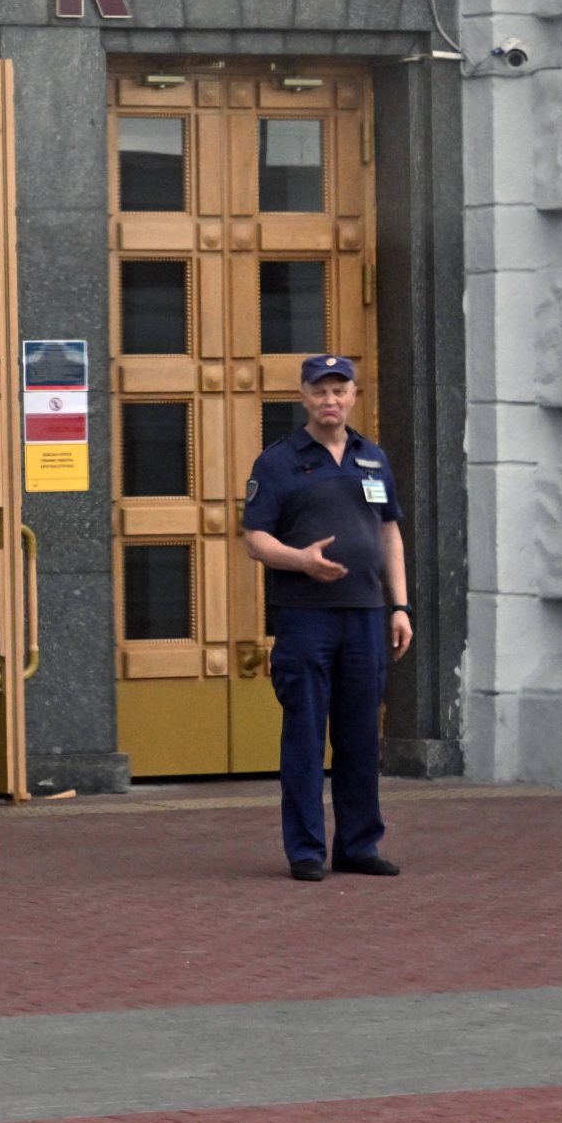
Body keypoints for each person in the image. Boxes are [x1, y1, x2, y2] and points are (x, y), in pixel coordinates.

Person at [240, 355, 412, 882]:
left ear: (355, 395)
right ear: (304, 397)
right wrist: (302, 562)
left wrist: (400, 606)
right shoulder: (279, 462)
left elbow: (389, 534)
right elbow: (255, 539)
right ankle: (307, 850)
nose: (330, 401)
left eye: (340, 391)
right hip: (306, 618)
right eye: (320, 392)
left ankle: (359, 844)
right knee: (306, 737)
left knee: (361, 738)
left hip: (364, 617)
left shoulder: (372, 458)